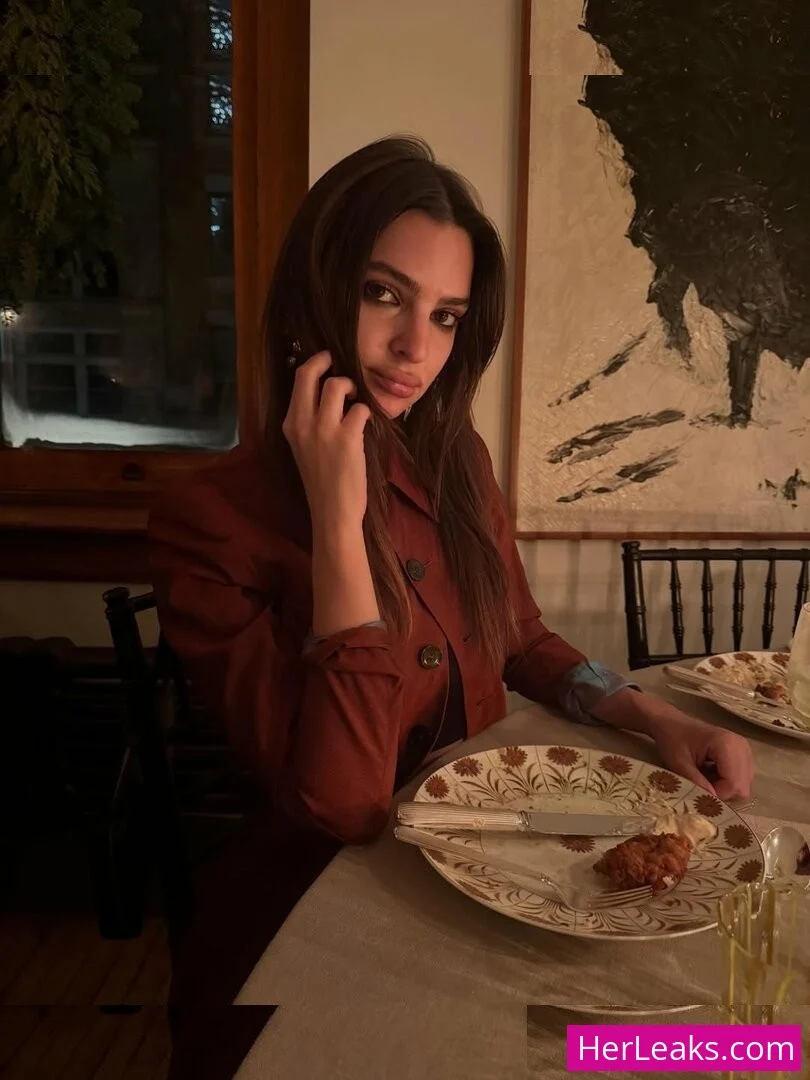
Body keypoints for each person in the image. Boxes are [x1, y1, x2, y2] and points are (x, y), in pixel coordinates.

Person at [148, 135, 754, 849]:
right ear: (314, 292)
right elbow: (345, 808)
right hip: (332, 887)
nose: (416, 347)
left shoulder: (455, 458)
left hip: (489, 837)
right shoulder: (210, 518)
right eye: (382, 294)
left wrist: (659, 718)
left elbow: (519, 637)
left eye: (445, 316)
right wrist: (339, 525)